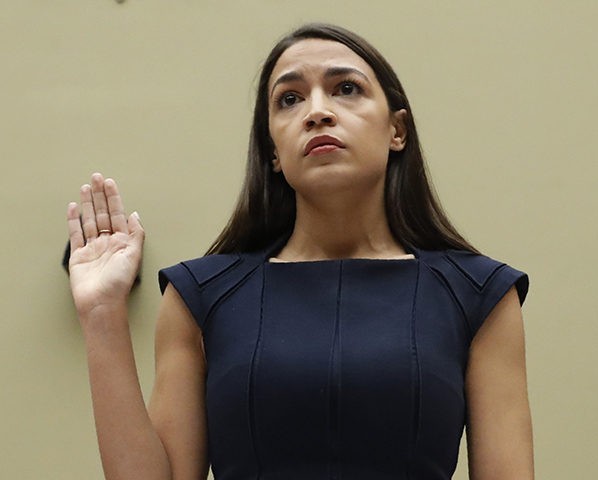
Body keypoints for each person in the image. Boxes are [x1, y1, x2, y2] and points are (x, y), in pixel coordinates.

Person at [67, 23, 533, 480]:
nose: (317, 112)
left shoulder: (479, 295)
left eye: (346, 89)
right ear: (273, 150)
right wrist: (102, 311)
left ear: (397, 130)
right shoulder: (200, 298)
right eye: (289, 99)